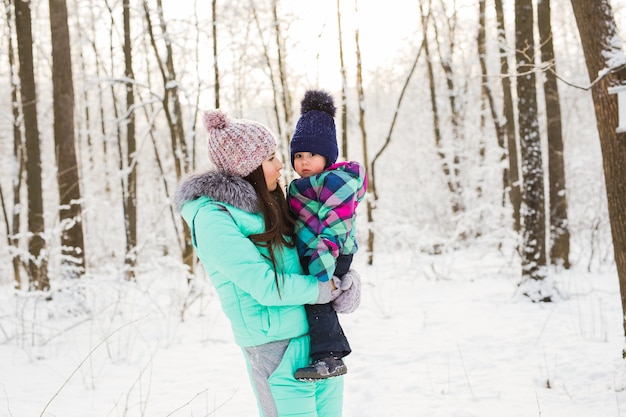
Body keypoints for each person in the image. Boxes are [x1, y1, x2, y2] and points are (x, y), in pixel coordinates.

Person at [174, 109, 361, 417]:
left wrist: (345, 279)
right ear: (248, 166)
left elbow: (312, 249)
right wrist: (324, 290)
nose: (280, 165)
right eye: (271, 157)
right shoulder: (212, 218)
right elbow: (264, 286)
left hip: (317, 342)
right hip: (275, 349)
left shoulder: (273, 201)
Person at [286, 90, 367, 381]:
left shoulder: (337, 181)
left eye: (312, 155)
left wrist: (323, 267)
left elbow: (336, 224)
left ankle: (330, 358)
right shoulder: (300, 186)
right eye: (298, 156)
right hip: (315, 251)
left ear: (328, 156)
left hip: (332, 251)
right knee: (313, 301)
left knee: (317, 300)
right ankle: (323, 353)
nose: (304, 162)